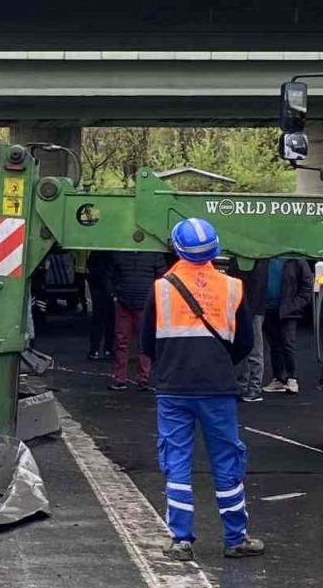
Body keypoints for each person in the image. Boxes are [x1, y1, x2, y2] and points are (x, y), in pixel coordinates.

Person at [142, 218, 263, 561]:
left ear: (176, 248)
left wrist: (171, 364)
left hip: (173, 388)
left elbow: (147, 343)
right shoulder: (233, 288)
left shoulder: (161, 288)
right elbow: (245, 344)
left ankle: (181, 540)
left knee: (176, 460)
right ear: (215, 248)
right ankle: (235, 538)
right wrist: (219, 365)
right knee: (227, 459)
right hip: (217, 389)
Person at [107, 251, 168, 390]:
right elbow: (162, 275)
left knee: (124, 342)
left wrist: (114, 295)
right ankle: (139, 379)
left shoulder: (120, 253)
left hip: (131, 301)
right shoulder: (153, 254)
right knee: (137, 342)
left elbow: (109, 274)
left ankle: (123, 378)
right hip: (134, 302)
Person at [258, 258, 312, 395]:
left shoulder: (295, 259)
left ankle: (292, 378)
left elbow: (307, 285)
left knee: (288, 343)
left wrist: (295, 304)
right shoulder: (264, 258)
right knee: (274, 345)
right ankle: (279, 379)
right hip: (267, 308)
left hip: (288, 309)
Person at [229, 261, 268, 402]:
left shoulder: (257, 261)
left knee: (254, 351)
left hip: (250, 309)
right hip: (247, 308)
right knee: (248, 349)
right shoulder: (257, 260)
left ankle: (253, 388)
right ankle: (246, 386)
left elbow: (257, 286)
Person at [86, 250, 115, 360]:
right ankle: (108, 349)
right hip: (110, 288)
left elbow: (90, 268)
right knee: (111, 320)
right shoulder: (113, 253)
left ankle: (94, 350)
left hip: (98, 287)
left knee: (98, 319)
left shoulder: (95, 252)